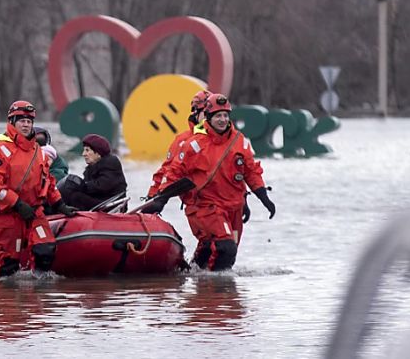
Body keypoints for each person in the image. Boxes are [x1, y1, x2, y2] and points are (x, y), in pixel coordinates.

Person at [157, 94, 276, 271]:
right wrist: (160, 198)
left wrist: (263, 197)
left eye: (225, 115)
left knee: (223, 250)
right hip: (206, 206)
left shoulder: (240, 142)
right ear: (209, 118)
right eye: (218, 116)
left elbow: (250, 171)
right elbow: (173, 171)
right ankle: (216, 290)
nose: (222, 120)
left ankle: (198, 280)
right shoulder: (194, 144)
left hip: (233, 207)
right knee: (225, 248)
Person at [0, 100, 78, 277]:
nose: (26, 125)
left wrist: (60, 204)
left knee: (46, 250)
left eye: (29, 121)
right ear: (12, 122)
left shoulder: (38, 151)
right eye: (22, 121)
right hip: (9, 215)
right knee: (8, 265)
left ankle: (38, 298)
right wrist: (17, 203)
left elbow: (47, 181)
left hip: (35, 213)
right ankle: (8, 301)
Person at [143, 90, 211, 214]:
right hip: (200, 204)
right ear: (196, 113)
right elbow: (168, 170)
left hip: (227, 202)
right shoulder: (184, 140)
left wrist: (242, 198)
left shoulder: (229, 139)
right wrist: (154, 196)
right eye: (206, 114)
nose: (210, 118)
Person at [58, 134, 128, 211]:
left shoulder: (111, 163)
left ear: (98, 153)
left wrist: (80, 185)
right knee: (69, 188)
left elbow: (102, 186)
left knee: (75, 196)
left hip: (111, 204)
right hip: (101, 202)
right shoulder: (91, 168)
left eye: (87, 150)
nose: (83, 154)